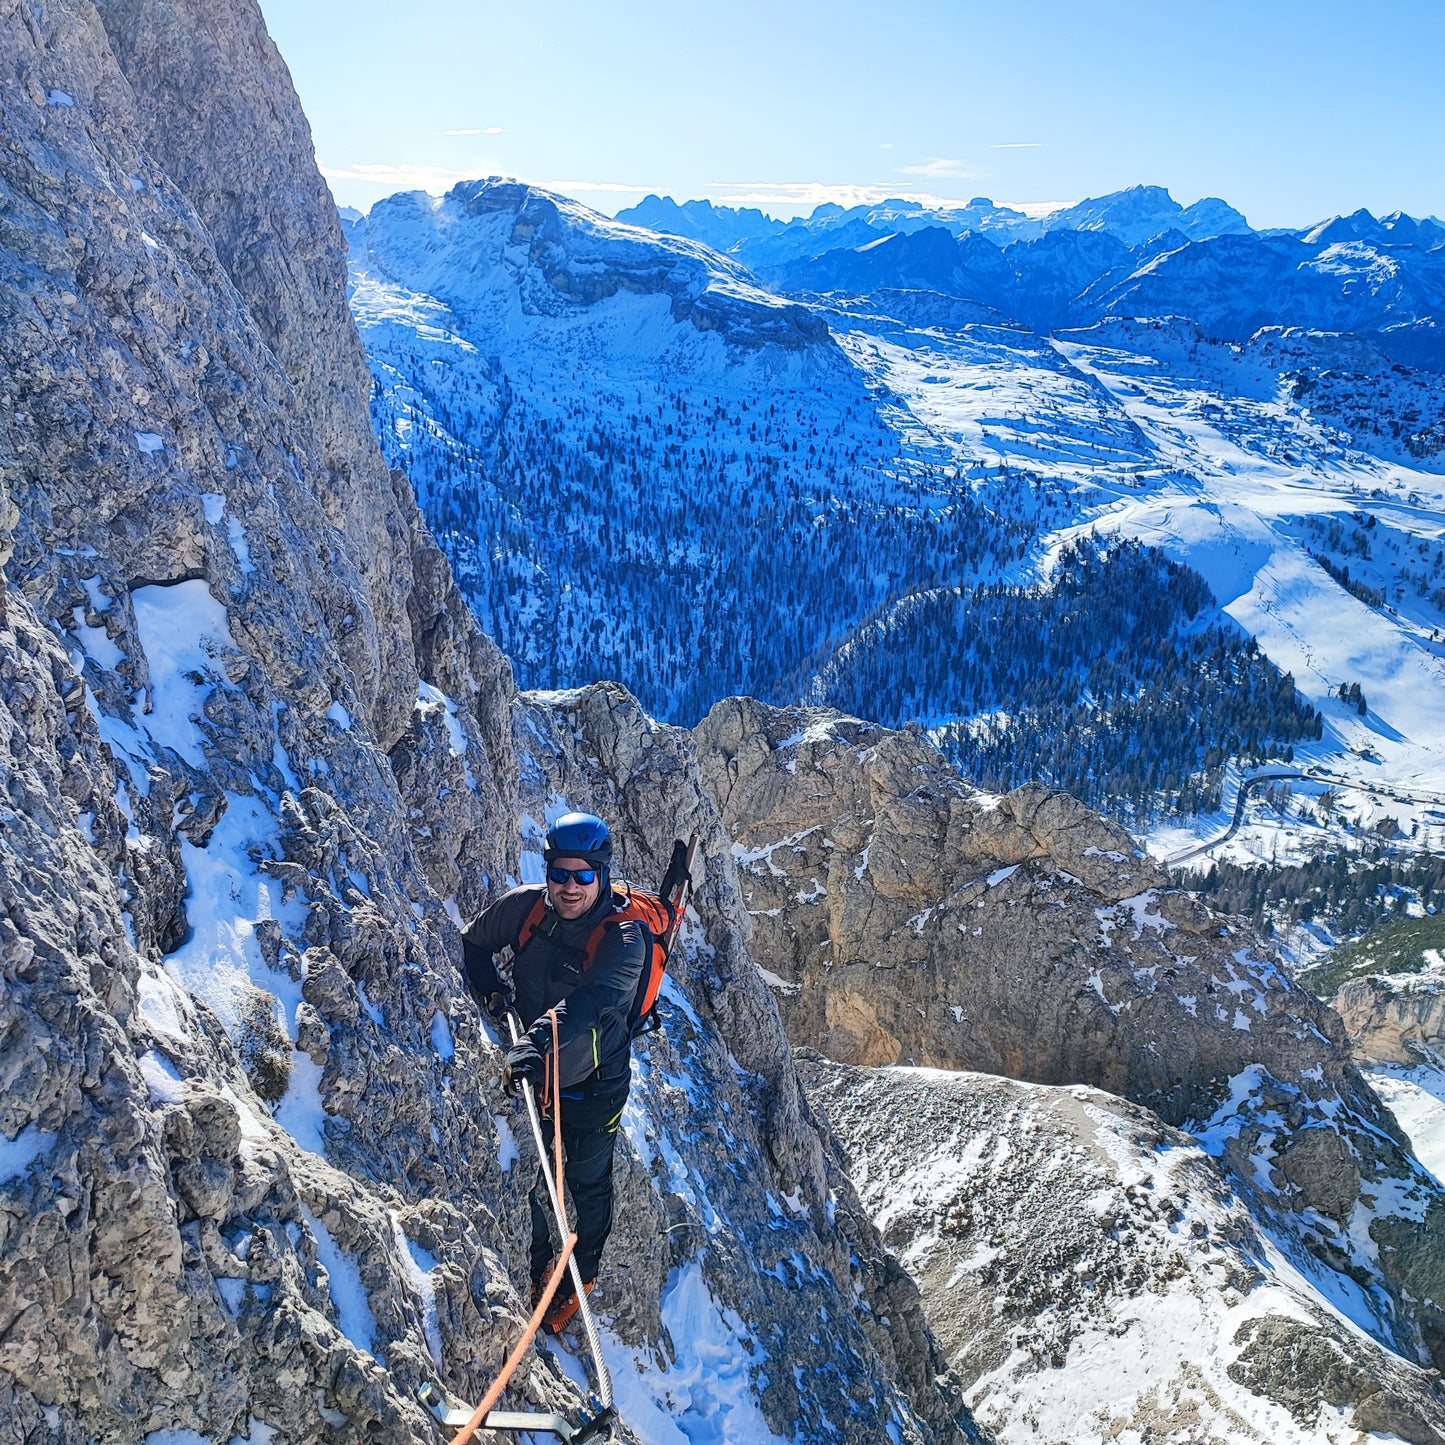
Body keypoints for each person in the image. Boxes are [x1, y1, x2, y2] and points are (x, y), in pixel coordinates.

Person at [462, 811, 645, 1334]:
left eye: (583, 875)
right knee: (535, 1174)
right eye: (560, 873)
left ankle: (578, 1279)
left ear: (602, 876)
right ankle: (537, 1267)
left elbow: (593, 1002)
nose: (570, 887)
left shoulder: (625, 938)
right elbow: (475, 942)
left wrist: (534, 1041)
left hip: (594, 1084)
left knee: (588, 1183)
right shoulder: (527, 910)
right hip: (537, 1077)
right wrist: (494, 996)